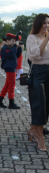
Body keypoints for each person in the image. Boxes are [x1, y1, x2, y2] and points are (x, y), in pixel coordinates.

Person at [27, 13, 49, 152]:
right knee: (39, 103)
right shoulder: (32, 38)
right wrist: (46, 39)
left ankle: (34, 130)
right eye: (44, 23)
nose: (46, 25)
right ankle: (39, 136)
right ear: (38, 24)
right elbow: (34, 55)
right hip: (37, 73)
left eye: (48, 23)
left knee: (46, 104)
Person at [0, 33, 22, 109]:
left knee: (7, 85)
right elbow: (11, 55)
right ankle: (11, 103)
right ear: (7, 41)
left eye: (14, 41)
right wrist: (15, 46)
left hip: (11, 67)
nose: (14, 43)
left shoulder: (10, 47)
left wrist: (19, 47)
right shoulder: (5, 48)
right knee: (12, 85)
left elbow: (16, 55)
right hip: (9, 68)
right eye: (12, 41)